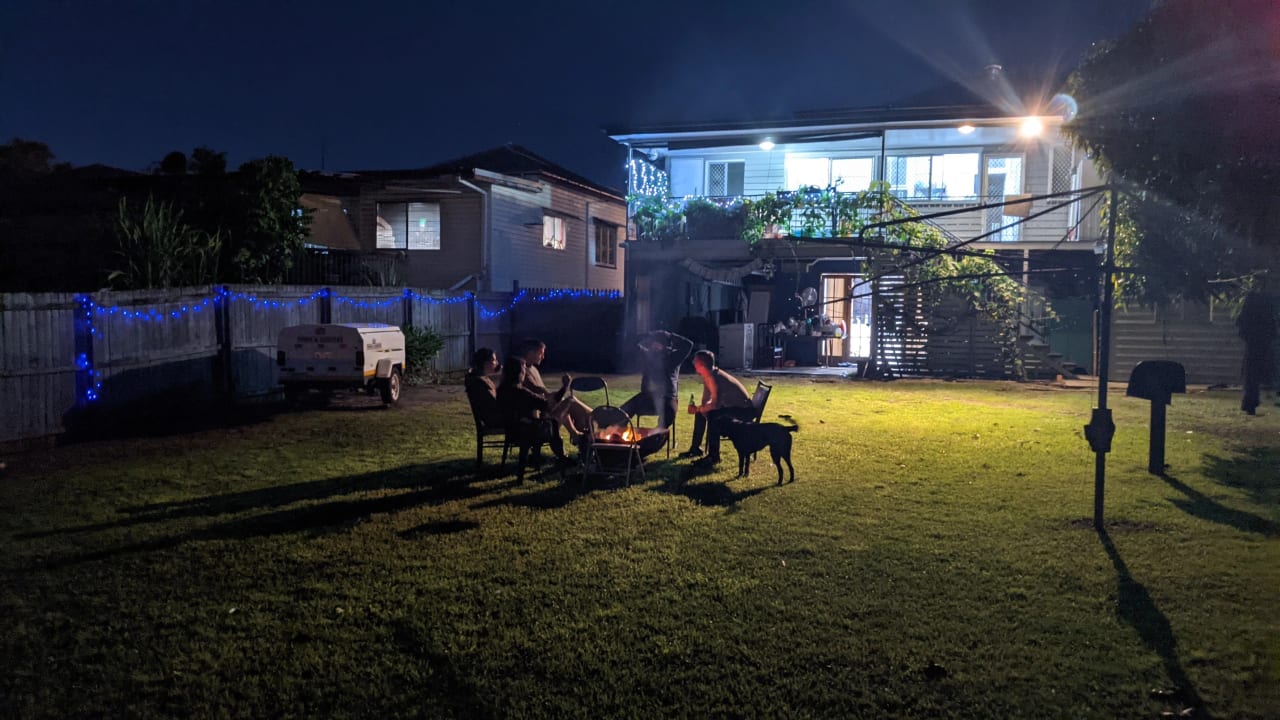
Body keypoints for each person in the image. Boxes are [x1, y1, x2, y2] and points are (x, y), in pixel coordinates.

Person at [681, 350, 755, 464]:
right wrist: (700, 409)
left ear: (702, 364)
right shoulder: (709, 374)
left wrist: (701, 409)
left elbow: (715, 404)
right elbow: (706, 400)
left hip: (743, 411)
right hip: (733, 408)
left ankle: (713, 457)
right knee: (703, 414)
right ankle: (695, 449)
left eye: (695, 361)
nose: (693, 362)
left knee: (714, 417)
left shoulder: (713, 377)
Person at [496, 356, 571, 470]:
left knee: (549, 421)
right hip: (529, 431)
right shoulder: (521, 393)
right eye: (523, 371)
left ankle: (542, 458)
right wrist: (564, 387)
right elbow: (548, 406)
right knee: (553, 423)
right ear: (519, 373)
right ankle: (562, 458)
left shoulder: (501, 391)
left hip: (511, 430)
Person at [515, 337, 591, 437]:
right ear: (530, 353)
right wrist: (564, 388)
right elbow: (541, 395)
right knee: (570, 401)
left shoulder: (533, 369)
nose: (543, 357)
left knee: (567, 406)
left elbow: (545, 394)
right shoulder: (521, 371)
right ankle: (594, 419)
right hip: (539, 416)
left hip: (545, 409)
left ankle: (579, 435)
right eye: (540, 353)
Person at [620, 329, 694, 430]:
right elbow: (631, 341)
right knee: (622, 412)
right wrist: (648, 335)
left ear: (665, 345)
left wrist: (670, 335)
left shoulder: (673, 357)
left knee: (668, 416)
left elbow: (688, 345)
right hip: (647, 397)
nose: (655, 346)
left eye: (659, 343)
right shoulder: (648, 355)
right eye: (654, 342)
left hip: (667, 398)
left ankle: (657, 435)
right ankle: (619, 432)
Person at [1236, 283, 1277, 415]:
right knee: (1257, 372)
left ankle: (1250, 401)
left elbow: (1241, 321)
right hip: (1261, 341)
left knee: (1252, 373)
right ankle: (1251, 401)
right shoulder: (1266, 302)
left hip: (1255, 342)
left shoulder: (1254, 301)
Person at [464, 348, 504, 429]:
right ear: (486, 363)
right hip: (495, 420)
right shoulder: (480, 382)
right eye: (494, 360)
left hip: (494, 417)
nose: (497, 363)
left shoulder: (480, 378)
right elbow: (494, 404)